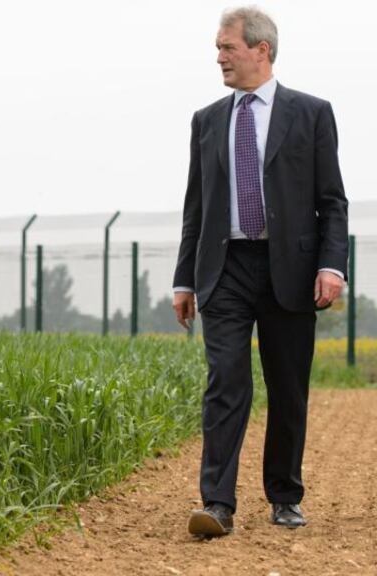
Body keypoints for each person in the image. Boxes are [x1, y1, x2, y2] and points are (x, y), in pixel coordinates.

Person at [172, 6, 349, 537]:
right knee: (225, 381)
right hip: (225, 268)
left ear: (260, 49)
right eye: (218, 49)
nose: (220, 57)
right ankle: (217, 503)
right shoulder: (207, 120)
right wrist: (185, 279)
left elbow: (331, 200)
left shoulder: (312, 113)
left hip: (290, 270)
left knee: (288, 387)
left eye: (227, 47)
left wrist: (331, 264)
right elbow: (196, 207)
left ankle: (284, 496)